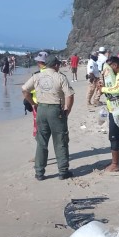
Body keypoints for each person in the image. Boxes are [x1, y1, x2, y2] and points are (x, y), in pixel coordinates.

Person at [21, 52, 74, 181]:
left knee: (42, 142)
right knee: (60, 141)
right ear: (55, 65)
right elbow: (70, 95)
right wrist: (67, 109)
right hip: (56, 109)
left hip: (42, 109)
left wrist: (33, 104)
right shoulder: (60, 77)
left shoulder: (37, 76)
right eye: (58, 65)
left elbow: (24, 90)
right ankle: (63, 171)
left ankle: (39, 172)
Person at [101, 56, 119, 172]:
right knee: (113, 137)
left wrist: (103, 89)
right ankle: (114, 161)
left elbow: (117, 90)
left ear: (115, 65)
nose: (109, 70)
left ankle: (115, 164)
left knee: (115, 137)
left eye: (109, 67)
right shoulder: (117, 75)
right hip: (114, 109)